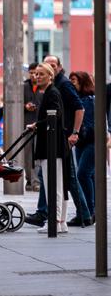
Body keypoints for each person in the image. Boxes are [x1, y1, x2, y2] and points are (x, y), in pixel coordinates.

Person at [45, 55, 92, 226]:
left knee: (70, 176)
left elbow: (79, 108)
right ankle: (82, 214)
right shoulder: (55, 84)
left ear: (58, 67)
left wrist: (75, 132)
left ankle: (83, 214)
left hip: (64, 137)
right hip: (57, 136)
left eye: (53, 64)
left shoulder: (63, 84)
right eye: (47, 64)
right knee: (62, 176)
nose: (50, 67)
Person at [27, 62, 68, 233]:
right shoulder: (50, 93)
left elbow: (55, 116)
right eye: (36, 74)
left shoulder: (52, 93)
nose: (37, 77)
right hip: (55, 145)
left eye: (41, 74)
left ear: (50, 76)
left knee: (54, 185)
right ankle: (61, 222)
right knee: (58, 185)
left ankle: (55, 221)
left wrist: (37, 124)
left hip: (53, 146)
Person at [69, 71, 97, 222]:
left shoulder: (89, 100)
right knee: (88, 175)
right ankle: (91, 211)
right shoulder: (79, 99)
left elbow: (91, 123)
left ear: (83, 82)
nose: (71, 83)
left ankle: (90, 211)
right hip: (82, 141)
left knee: (82, 174)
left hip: (92, 141)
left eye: (74, 80)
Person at [23, 62, 42, 191]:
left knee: (37, 155)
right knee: (27, 155)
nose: (34, 76)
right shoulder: (23, 87)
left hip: (40, 124)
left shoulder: (44, 87)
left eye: (36, 73)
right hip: (27, 124)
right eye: (31, 73)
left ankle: (36, 181)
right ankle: (29, 180)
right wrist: (25, 106)